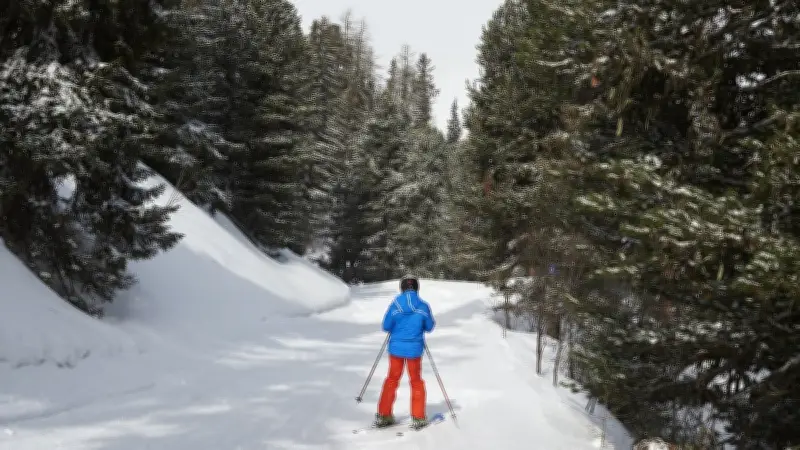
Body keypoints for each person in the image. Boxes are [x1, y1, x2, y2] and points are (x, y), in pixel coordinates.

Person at [374, 276, 435, 430]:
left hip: (396, 349)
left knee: (392, 379)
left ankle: (384, 415)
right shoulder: (423, 305)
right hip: (414, 350)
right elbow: (429, 327)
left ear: (402, 288)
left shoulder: (395, 304)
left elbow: (386, 326)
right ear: (417, 288)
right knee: (416, 381)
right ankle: (418, 417)